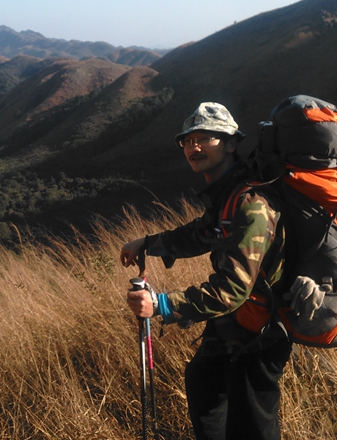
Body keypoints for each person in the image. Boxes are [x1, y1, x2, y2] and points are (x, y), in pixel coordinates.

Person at [120, 102, 291, 440]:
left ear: (231, 143)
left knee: (252, 427)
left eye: (204, 139)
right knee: (203, 388)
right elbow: (201, 234)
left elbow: (232, 289)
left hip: (260, 331)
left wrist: (161, 305)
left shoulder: (251, 204)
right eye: (187, 141)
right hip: (233, 325)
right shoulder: (228, 194)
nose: (193, 147)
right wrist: (148, 243)